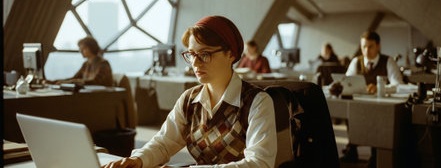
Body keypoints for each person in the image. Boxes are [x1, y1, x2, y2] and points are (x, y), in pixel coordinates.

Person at [103, 16, 277, 168]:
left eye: (205, 54)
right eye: (192, 54)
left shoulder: (258, 102)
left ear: (230, 53)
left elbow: (259, 164)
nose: (195, 63)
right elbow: (164, 143)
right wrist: (138, 160)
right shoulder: (190, 99)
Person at [340, 31, 404, 167]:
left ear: (378, 46)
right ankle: (352, 149)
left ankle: (375, 155)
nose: (366, 51)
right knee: (349, 111)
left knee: (378, 117)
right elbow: (346, 80)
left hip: (380, 105)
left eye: (370, 47)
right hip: (359, 103)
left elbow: (399, 85)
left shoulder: (388, 61)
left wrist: (381, 88)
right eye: (364, 47)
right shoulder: (356, 61)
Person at [45, 36, 113, 86]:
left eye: (83, 48)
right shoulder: (86, 64)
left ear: (92, 48)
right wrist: (53, 82)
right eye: (80, 49)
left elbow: (95, 82)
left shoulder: (103, 64)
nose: (80, 51)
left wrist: (67, 83)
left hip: (101, 97)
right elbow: (75, 78)